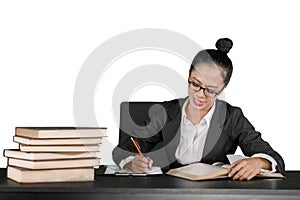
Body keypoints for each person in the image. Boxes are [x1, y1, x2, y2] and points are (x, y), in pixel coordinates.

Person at [112, 38, 285, 181]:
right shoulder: (166, 112)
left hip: (214, 194)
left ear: (223, 88)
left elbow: (275, 159)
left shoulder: (231, 117)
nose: (200, 95)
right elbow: (122, 149)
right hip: (166, 190)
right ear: (188, 77)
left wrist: (259, 162)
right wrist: (130, 161)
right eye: (195, 84)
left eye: (211, 90)